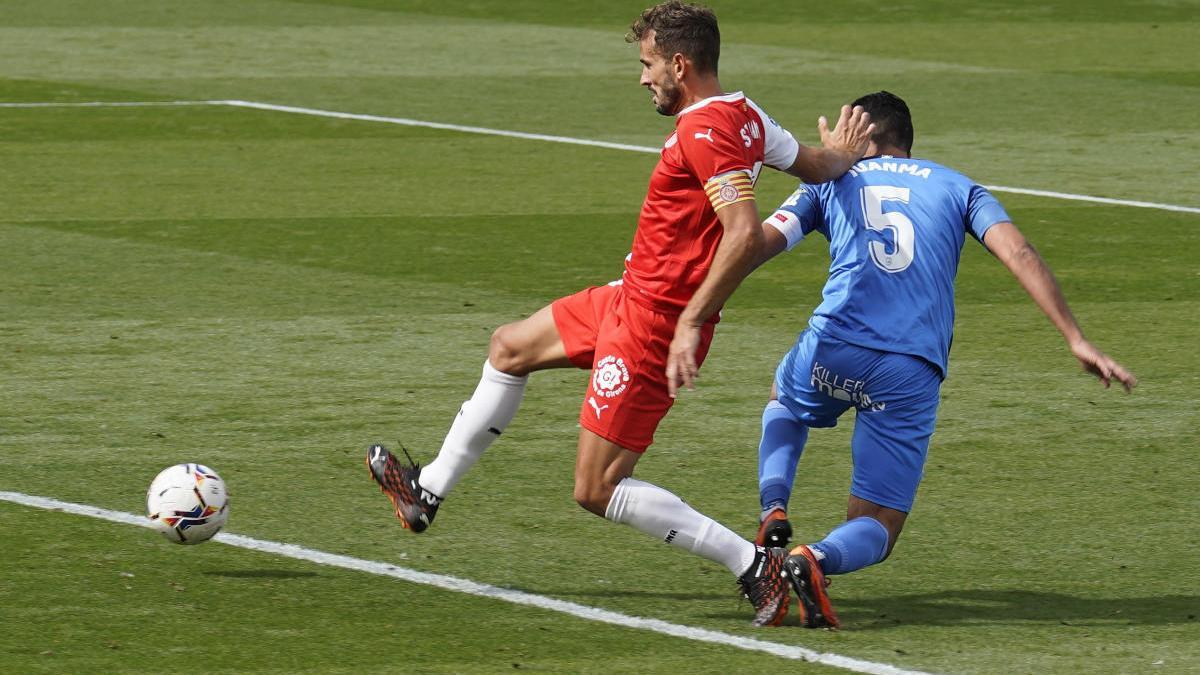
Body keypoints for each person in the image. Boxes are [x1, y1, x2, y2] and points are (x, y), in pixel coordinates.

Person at [365, 1, 874, 627]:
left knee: (597, 487)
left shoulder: (706, 131)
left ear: (680, 64)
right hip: (627, 297)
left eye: (648, 63)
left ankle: (753, 566)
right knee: (509, 348)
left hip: (654, 325)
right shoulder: (745, 116)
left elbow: (741, 233)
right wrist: (844, 155)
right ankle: (427, 492)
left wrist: (691, 319)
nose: (642, 77)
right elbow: (816, 166)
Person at [750, 90, 1138, 628]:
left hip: (831, 347)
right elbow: (1019, 252)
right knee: (876, 525)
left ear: (860, 133)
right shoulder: (959, 187)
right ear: (908, 141)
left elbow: (757, 244)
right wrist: (1075, 337)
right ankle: (813, 557)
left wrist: (696, 304)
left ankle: (773, 509)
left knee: (785, 401)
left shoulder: (830, 180)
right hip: (906, 372)